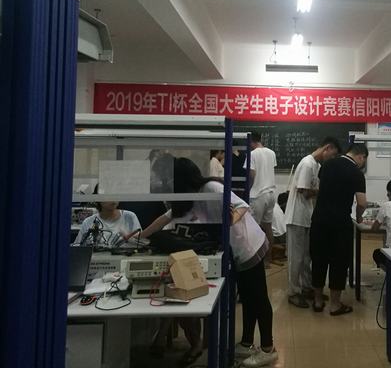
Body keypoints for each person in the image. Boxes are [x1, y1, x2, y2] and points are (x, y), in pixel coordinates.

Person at [134, 158, 277, 367]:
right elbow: (166, 218)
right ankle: (247, 343)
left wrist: (228, 221)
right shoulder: (191, 196)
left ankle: (268, 348)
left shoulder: (211, 188)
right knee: (248, 297)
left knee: (258, 298)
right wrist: (139, 236)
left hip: (248, 245)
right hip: (235, 250)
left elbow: (242, 206)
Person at [310, 143, 368, 316]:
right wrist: (359, 218)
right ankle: (335, 305)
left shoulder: (327, 165)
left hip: (319, 220)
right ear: (361, 156)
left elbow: (319, 190)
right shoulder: (357, 173)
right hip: (340, 223)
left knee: (318, 259)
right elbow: (362, 203)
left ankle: (318, 301)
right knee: (339, 262)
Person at [285, 137, 341, 309]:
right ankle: (293, 292)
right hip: (297, 217)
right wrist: (324, 190)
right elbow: (303, 191)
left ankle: (307, 287)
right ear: (327, 148)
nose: (332, 158)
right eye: (333, 154)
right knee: (296, 257)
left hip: (307, 217)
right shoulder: (307, 163)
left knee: (307, 256)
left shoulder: (316, 165)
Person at [245, 132, 277, 267]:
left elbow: (252, 174)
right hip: (271, 193)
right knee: (268, 227)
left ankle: (256, 263)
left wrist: (247, 189)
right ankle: (268, 260)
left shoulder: (252, 154)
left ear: (251, 141)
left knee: (254, 228)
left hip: (257, 195)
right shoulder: (271, 153)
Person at [75, 185, 141, 248]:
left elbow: (140, 244)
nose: (113, 198)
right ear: (98, 198)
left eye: (116, 194)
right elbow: (78, 247)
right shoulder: (88, 222)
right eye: (108, 195)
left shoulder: (129, 217)